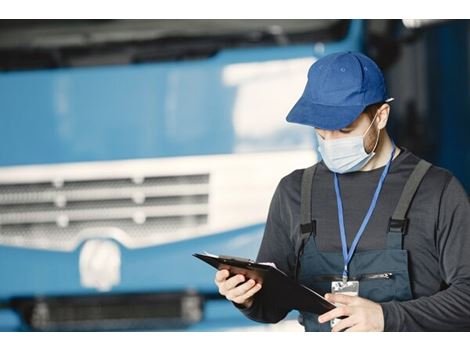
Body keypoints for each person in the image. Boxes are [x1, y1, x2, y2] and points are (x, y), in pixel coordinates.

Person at [213, 51, 470, 332]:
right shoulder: (294, 191)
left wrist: (386, 317)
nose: (331, 140)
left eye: (345, 130)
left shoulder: (437, 190)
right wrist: (247, 297)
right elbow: (272, 307)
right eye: (322, 131)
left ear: (381, 116)